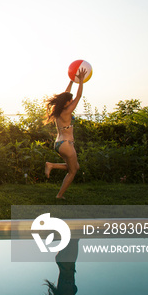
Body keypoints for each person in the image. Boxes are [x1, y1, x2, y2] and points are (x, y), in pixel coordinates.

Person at [44, 68, 86, 199]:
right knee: (72, 172)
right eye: (70, 100)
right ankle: (60, 195)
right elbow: (78, 96)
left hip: (59, 144)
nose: (72, 101)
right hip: (67, 145)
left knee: (75, 167)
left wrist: (72, 81)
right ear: (67, 103)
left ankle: (51, 165)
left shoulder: (58, 111)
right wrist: (81, 81)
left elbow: (66, 94)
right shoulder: (67, 111)